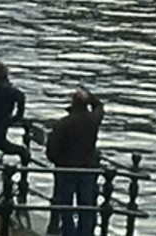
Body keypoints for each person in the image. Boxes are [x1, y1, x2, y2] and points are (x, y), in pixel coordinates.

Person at [47, 89, 105, 236]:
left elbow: (52, 150)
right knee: (86, 205)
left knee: (65, 205)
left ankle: (69, 232)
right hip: (88, 169)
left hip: (66, 168)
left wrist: (57, 162)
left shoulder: (63, 124)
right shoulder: (93, 121)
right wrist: (92, 97)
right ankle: (84, 233)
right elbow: (100, 108)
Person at [0, 62, 31, 163]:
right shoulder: (7, 89)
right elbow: (21, 96)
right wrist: (18, 116)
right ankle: (23, 175)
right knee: (23, 152)